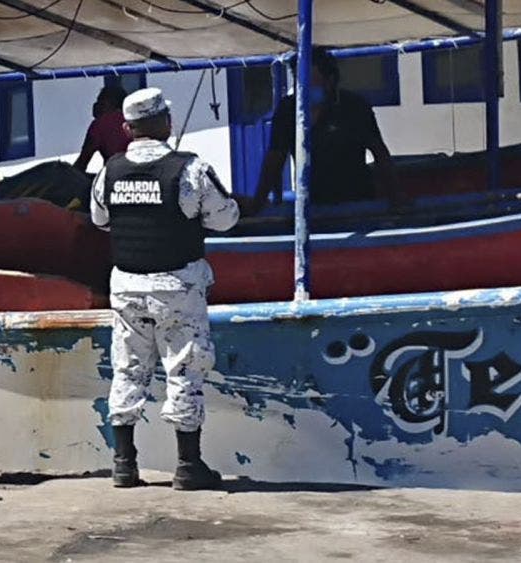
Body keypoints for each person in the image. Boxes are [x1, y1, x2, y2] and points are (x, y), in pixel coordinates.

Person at [90, 87, 240, 490]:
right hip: (177, 286)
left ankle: (124, 464)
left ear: (127, 129)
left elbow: (100, 219)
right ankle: (188, 465)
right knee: (185, 368)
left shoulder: (110, 171)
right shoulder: (190, 169)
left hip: (127, 286)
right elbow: (226, 218)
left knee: (127, 369)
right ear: (167, 123)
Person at [252, 48, 396, 211]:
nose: (303, 87)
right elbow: (275, 159)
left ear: (330, 80)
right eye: (298, 80)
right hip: (311, 205)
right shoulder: (288, 109)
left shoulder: (354, 107)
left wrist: (395, 196)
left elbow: (380, 153)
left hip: (355, 201)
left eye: (310, 81)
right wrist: (259, 202)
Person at [73, 85, 132, 172]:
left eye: (100, 102)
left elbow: (82, 162)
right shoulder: (135, 120)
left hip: (115, 175)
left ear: (109, 103)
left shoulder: (99, 125)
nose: (96, 106)